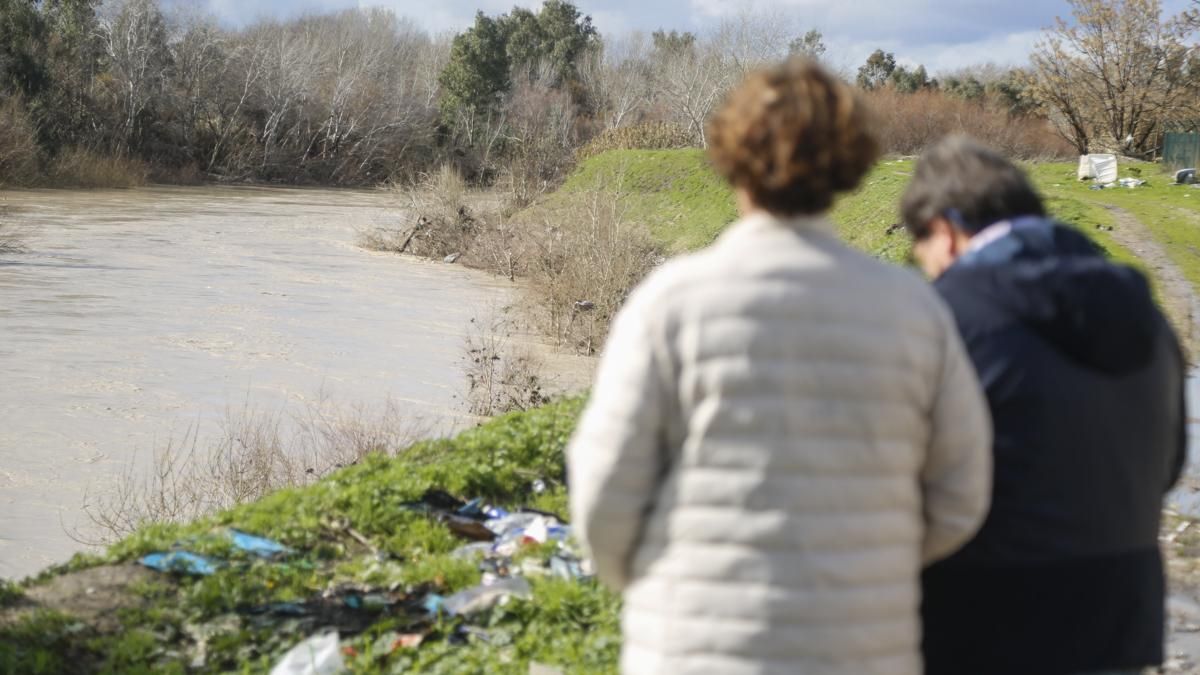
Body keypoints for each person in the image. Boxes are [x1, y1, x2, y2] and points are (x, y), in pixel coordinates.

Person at [567, 60, 992, 675]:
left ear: (733, 157)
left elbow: (605, 486)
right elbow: (961, 493)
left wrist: (649, 582)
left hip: (695, 649)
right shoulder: (914, 310)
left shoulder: (672, 302)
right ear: (849, 164)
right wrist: (873, 562)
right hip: (861, 648)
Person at [903, 136, 1187, 675]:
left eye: (926, 258)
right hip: (1121, 620)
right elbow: (1169, 464)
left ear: (944, 230)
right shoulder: (1145, 313)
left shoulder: (948, 316)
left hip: (981, 621)